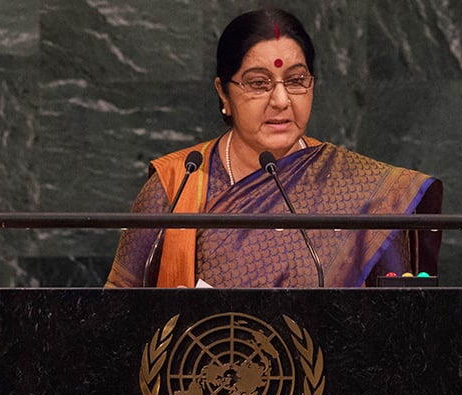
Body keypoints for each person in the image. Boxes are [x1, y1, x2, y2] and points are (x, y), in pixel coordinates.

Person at [105, 8, 443, 288]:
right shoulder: (176, 185)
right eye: (258, 84)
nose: (281, 101)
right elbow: (113, 323)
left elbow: (400, 329)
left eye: (296, 81)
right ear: (224, 93)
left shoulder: (371, 194)